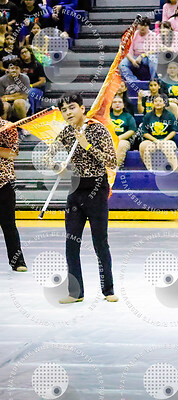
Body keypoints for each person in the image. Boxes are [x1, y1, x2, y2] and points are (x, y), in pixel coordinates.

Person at [42, 93, 118, 303]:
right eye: (64, 110)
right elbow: (47, 157)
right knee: (71, 242)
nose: (68, 113)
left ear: (82, 108)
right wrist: (56, 166)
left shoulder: (97, 129)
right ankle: (75, 292)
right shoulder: (66, 132)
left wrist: (87, 145)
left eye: (72, 107)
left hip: (97, 188)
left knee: (100, 242)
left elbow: (112, 161)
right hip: (76, 188)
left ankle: (108, 290)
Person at [0, 103, 27, 272]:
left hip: (4, 181)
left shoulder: (8, 127)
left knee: (8, 224)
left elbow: (12, 153)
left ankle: (18, 261)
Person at [138, 94, 178, 171]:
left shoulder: (170, 115)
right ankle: (150, 170)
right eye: (156, 101)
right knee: (143, 145)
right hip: (152, 141)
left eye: (160, 101)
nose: (158, 103)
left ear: (164, 104)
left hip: (167, 140)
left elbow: (173, 131)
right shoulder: (148, 116)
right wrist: (155, 140)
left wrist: (164, 140)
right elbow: (145, 132)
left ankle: (175, 170)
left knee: (167, 147)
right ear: (153, 103)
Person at [119, 17, 158, 83]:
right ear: (138, 26)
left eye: (145, 25)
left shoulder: (153, 35)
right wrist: (132, 60)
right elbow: (127, 50)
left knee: (153, 58)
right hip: (135, 56)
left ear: (148, 27)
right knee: (122, 64)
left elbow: (152, 50)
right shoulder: (133, 35)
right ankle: (133, 81)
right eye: (141, 25)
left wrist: (141, 56)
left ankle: (154, 81)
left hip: (147, 57)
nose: (143, 27)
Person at [110, 95, 137, 168]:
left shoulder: (128, 117)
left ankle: (115, 168)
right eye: (115, 102)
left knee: (121, 144)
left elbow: (131, 130)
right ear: (111, 105)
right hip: (109, 139)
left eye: (120, 102)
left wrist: (118, 138)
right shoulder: (107, 116)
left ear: (123, 105)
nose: (117, 104)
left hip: (124, 140)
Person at [19, 46, 45, 114]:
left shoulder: (38, 65)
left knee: (30, 92)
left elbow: (42, 81)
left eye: (25, 52)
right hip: (22, 89)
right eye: (22, 53)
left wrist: (31, 86)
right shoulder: (19, 66)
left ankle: (31, 113)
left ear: (30, 52)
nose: (24, 54)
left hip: (36, 89)